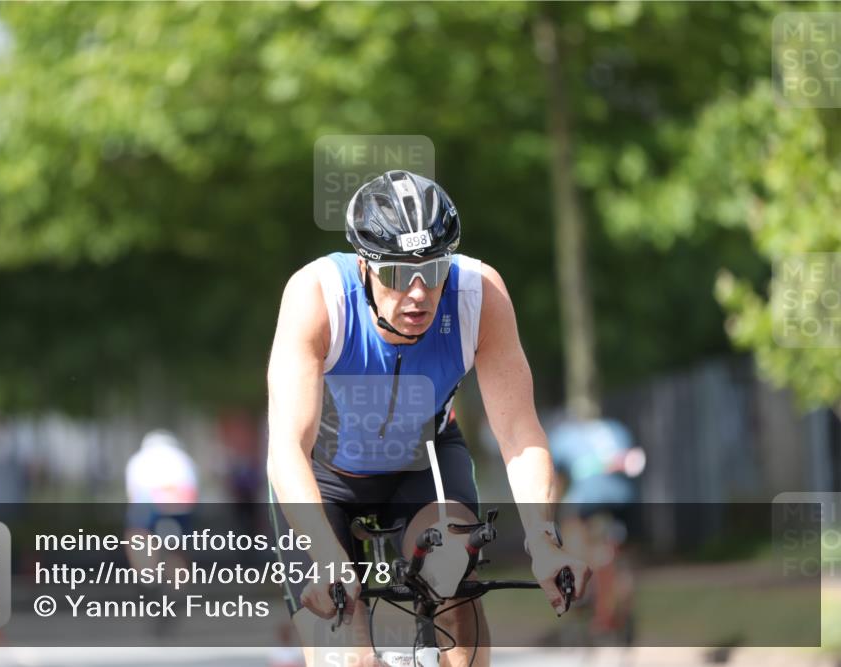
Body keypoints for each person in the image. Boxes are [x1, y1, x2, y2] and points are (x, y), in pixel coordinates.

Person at [266, 170, 591, 666]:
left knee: (456, 571)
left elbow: (520, 435)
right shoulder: (317, 297)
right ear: (364, 265)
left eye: (434, 270)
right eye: (398, 273)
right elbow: (288, 447)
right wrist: (329, 560)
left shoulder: (479, 295)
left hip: (425, 464)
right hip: (326, 478)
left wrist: (544, 541)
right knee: (347, 653)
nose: (418, 292)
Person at [547, 415, 644, 644]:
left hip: (587, 501)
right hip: (622, 500)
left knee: (569, 527)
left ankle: (579, 582)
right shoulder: (616, 428)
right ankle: (622, 593)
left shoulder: (564, 436)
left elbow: (554, 480)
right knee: (617, 550)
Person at [124, 429, 199, 634]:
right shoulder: (184, 459)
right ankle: (179, 586)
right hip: (179, 510)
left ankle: (147, 577)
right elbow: (193, 493)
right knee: (179, 551)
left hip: (149, 509)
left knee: (137, 536)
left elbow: (133, 494)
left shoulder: (138, 460)